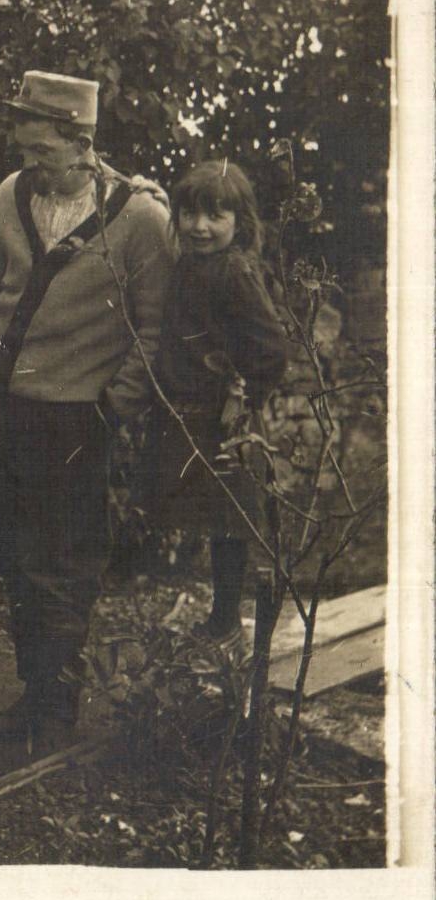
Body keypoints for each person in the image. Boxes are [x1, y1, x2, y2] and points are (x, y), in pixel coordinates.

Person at [0, 71, 173, 745]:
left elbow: (154, 331)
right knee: (11, 550)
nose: (31, 165)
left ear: (83, 142)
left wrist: (112, 406)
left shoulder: (140, 220)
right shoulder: (13, 193)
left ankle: (57, 714)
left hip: (74, 419)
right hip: (2, 404)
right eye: (26, 150)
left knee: (62, 563)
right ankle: (31, 696)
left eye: (44, 152)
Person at [143, 159, 289, 654]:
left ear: (240, 223)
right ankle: (215, 615)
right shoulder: (190, 264)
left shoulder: (235, 271)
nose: (200, 227)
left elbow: (272, 349)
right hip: (189, 412)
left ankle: (226, 618)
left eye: (215, 216)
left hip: (226, 418)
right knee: (208, 515)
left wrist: (243, 396)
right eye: (189, 215)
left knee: (230, 522)